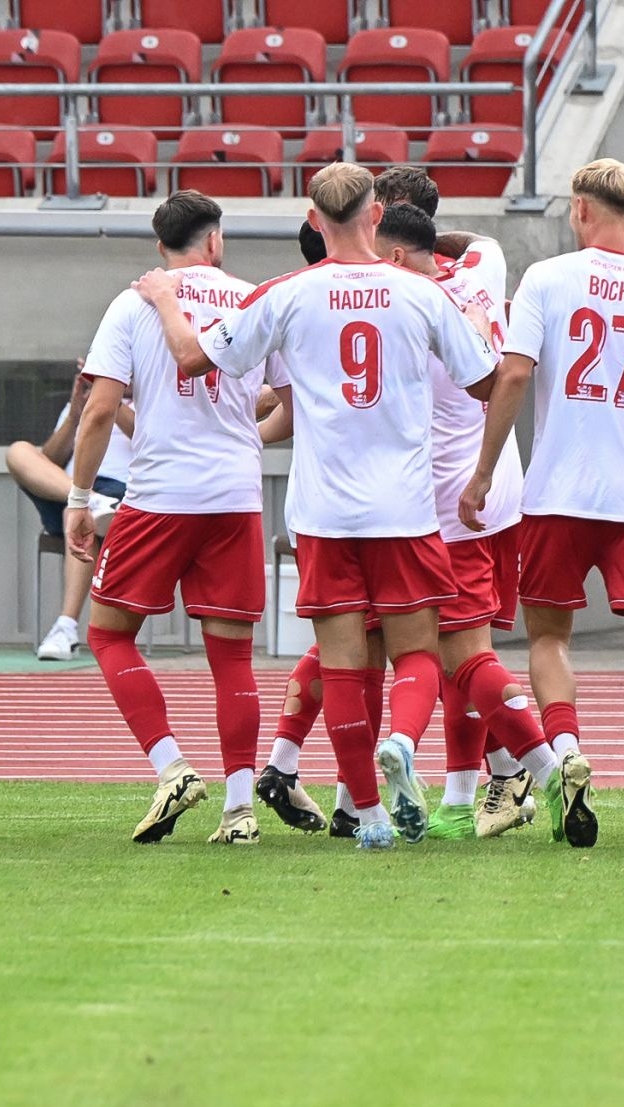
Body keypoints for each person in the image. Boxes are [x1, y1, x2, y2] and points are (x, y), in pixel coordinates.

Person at [137, 162, 503, 850]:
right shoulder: (421, 292)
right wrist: (479, 323)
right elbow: (485, 382)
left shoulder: (285, 293)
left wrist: (163, 298)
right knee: (418, 654)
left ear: (314, 221)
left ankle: (367, 816)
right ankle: (402, 741)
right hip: (404, 507)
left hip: (324, 512)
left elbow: (192, 359)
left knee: (341, 668)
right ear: (376, 216)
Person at [258, 174, 545, 843]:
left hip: (413, 504)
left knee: (376, 649)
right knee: (445, 651)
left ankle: (369, 788)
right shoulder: (473, 273)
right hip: (480, 498)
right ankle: (487, 780)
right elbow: (491, 364)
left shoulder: (369, 297)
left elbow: (275, 391)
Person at [460, 158, 624, 850]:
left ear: (580, 209)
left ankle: (564, 753)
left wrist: (483, 471)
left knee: (549, 638)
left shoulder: (547, 278)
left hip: (558, 492)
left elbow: (514, 375)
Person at [65, 191, 287, 844]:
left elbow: (99, 410)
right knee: (232, 657)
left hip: (160, 495)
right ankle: (240, 810)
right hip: (235, 497)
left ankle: (172, 768)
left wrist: (79, 499)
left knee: (108, 634)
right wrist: (243, 435)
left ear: (162, 247)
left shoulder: (134, 302)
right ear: (215, 240)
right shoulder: (253, 300)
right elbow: (291, 405)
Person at [3, 363, 131, 660]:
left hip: (122, 495)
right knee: (18, 451)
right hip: (71, 488)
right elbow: (50, 459)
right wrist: (74, 417)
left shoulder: (151, 403)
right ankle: (92, 502)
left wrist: (109, 397)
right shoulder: (84, 404)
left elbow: (146, 438)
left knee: (77, 516)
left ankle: (66, 627)